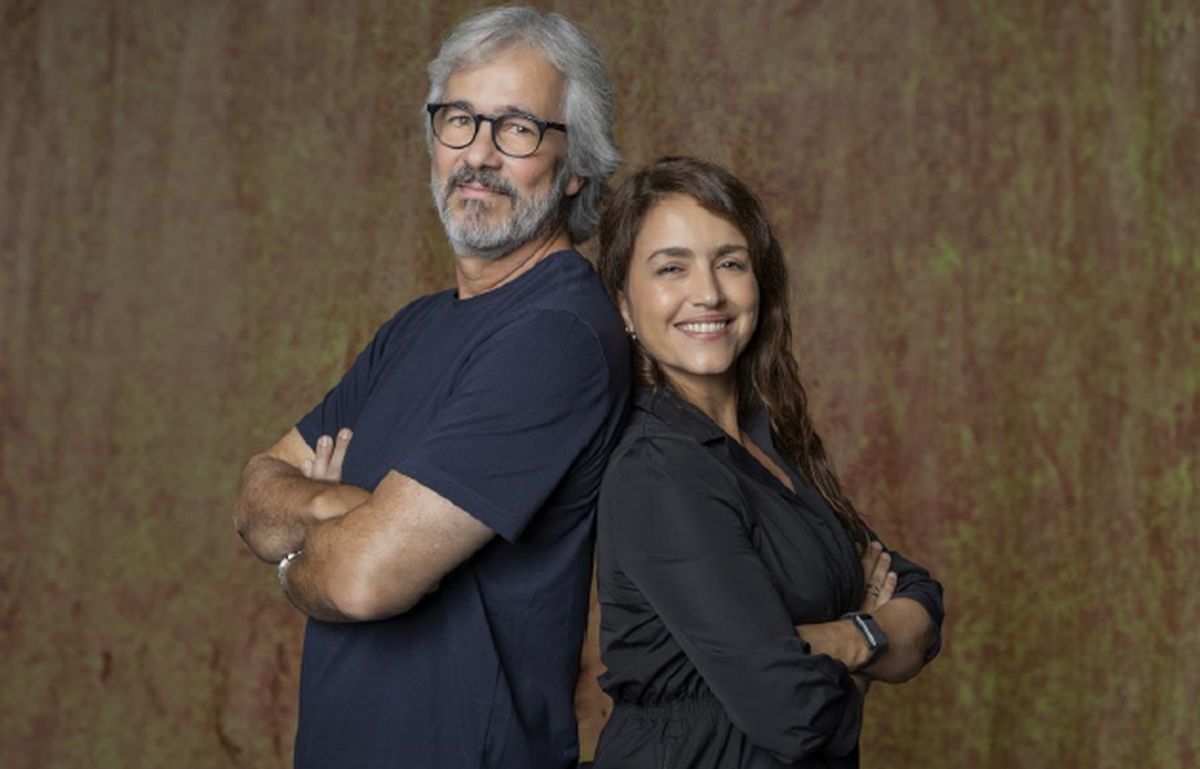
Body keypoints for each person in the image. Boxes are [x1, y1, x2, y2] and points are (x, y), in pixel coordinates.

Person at [230, 8, 629, 768]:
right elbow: (254, 495)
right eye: (459, 120)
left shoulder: (559, 334)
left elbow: (364, 578)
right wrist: (347, 508)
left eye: (516, 128)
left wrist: (300, 557)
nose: (478, 153)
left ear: (574, 165)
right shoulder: (413, 329)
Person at [591, 157, 944, 768]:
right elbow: (792, 711)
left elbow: (920, 598)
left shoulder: (769, 440)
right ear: (623, 304)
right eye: (672, 268)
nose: (709, 292)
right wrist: (865, 638)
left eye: (730, 262)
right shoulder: (659, 469)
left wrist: (836, 638)